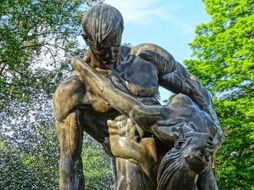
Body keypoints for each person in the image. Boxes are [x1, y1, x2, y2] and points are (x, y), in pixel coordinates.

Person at [54, 3, 223, 189]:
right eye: (101, 49)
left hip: (177, 152)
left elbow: (194, 87)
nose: (110, 55)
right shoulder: (74, 89)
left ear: (122, 32)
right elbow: (70, 160)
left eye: (114, 46)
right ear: (86, 39)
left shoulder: (146, 58)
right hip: (132, 160)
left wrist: (214, 123)